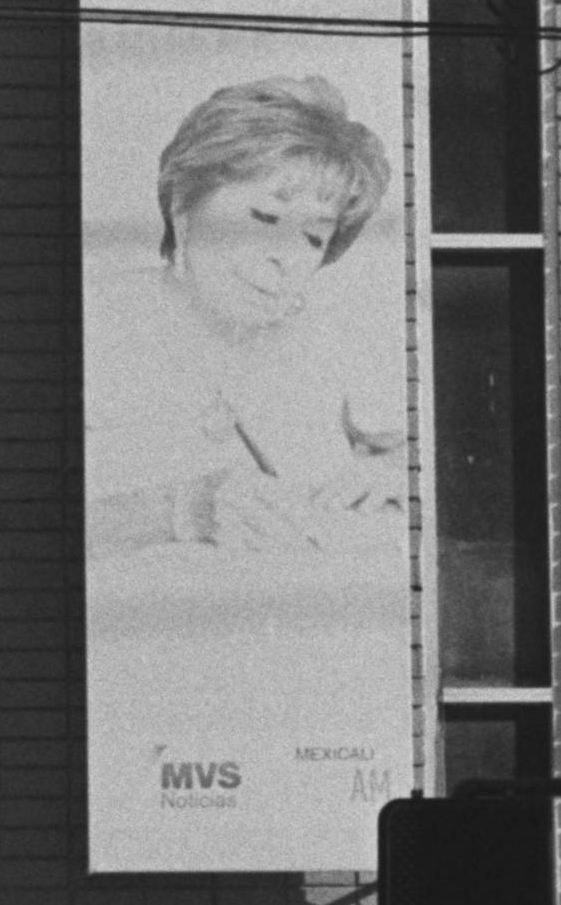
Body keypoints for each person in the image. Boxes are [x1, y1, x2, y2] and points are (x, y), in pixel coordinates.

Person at [85, 75, 405, 562]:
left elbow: (419, 450)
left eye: (313, 238)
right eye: (264, 218)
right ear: (183, 210)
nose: (286, 257)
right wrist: (180, 510)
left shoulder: (328, 344)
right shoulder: (96, 320)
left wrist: (394, 474)